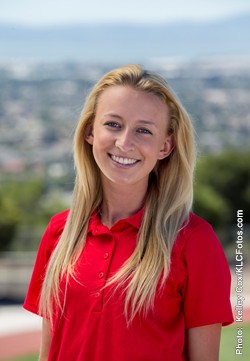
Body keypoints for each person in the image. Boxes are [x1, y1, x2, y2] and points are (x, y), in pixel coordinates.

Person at [23, 64, 233, 361]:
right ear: (89, 132)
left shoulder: (195, 241)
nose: (124, 143)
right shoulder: (61, 232)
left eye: (144, 130)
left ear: (165, 146)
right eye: (113, 124)